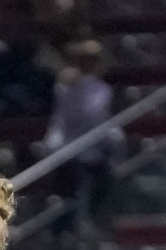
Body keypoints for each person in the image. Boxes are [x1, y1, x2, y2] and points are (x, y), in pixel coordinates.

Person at [43, 40, 121, 232]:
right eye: (86, 60)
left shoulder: (102, 88)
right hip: (69, 147)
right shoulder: (65, 87)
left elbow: (99, 117)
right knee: (67, 193)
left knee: (102, 184)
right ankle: (64, 230)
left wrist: (112, 138)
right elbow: (67, 117)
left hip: (96, 148)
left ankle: (94, 223)